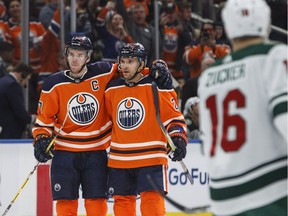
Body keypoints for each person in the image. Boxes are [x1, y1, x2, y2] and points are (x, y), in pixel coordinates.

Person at [32, 36, 173, 216]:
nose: (75, 59)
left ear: (88, 57)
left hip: (96, 151)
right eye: (72, 54)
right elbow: (44, 120)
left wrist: (158, 68)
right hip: (65, 152)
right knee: (65, 200)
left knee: (96, 200)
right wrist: (41, 139)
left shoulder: (103, 71)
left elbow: (131, 68)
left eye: (80, 55)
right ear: (66, 56)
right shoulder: (53, 84)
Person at [198, 0, 288, 215]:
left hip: (223, 196)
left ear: (228, 27)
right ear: (266, 24)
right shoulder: (274, 55)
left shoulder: (209, 75)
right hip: (271, 192)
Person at [105, 43, 188, 216]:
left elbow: (174, 118)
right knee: (122, 205)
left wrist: (178, 138)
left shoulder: (156, 86)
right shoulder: (111, 89)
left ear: (142, 64)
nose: (125, 66)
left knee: (152, 206)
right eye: (123, 61)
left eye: (131, 61)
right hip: (120, 159)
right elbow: (106, 121)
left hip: (151, 158)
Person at [0, 62, 34, 138]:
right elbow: (19, 110)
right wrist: (32, 119)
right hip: (9, 131)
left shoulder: (3, 81)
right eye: (27, 79)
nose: (25, 83)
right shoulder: (12, 85)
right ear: (23, 75)